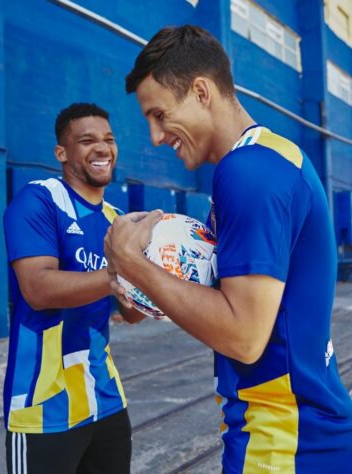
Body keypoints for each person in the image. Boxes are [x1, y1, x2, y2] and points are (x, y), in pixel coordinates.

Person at [104, 26, 352, 473]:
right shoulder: (272, 156)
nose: (156, 136)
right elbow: (258, 309)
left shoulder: (247, 174)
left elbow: (244, 335)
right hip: (302, 431)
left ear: (201, 91)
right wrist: (151, 290)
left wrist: (133, 265)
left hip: (283, 444)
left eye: (159, 115)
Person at [3, 102, 144, 474]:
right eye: (87, 141)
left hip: (106, 400)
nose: (102, 148)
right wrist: (116, 275)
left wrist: (159, 271)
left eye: (109, 140)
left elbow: (132, 314)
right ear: (62, 153)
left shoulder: (117, 221)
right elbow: (37, 288)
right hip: (43, 405)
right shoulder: (40, 199)